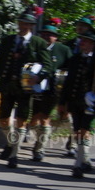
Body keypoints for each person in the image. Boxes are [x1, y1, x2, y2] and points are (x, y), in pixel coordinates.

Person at [0, 9, 52, 169]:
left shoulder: (38, 43)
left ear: (31, 26)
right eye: (21, 23)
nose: (23, 26)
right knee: (3, 118)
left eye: (27, 24)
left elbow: (48, 65)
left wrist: (39, 76)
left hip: (26, 88)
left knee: (21, 120)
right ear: (18, 24)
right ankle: (11, 142)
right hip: (8, 85)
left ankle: (14, 154)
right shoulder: (8, 41)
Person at [58, 29, 95, 178]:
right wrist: (63, 101)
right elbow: (68, 82)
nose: (82, 42)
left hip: (91, 102)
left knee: (84, 130)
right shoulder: (75, 59)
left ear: (93, 44)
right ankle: (85, 159)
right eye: (81, 40)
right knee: (77, 132)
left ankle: (78, 163)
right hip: (76, 101)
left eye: (86, 41)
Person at [28, 21, 72, 161]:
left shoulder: (63, 50)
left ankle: (39, 149)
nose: (46, 37)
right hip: (35, 88)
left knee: (45, 117)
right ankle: (38, 139)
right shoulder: (35, 47)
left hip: (53, 90)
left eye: (50, 35)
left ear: (55, 37)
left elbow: (71, 68)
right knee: (34, 119)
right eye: (43, 34)